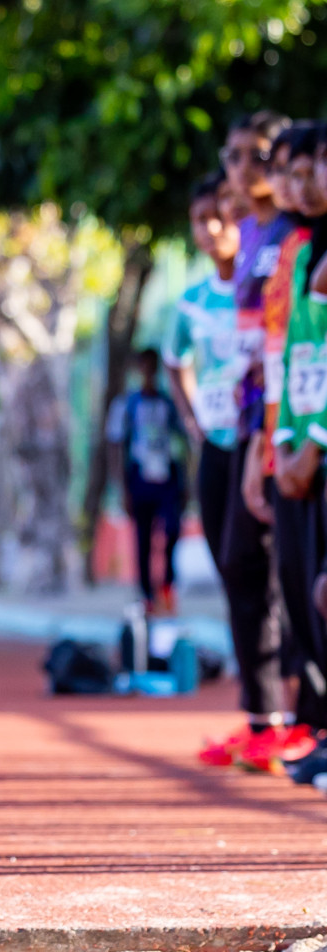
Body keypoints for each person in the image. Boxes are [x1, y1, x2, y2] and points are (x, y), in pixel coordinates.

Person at [166, 168, 288, 768]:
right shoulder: (189, 301)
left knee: (263, 567)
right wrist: (192, 418)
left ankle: (285, 711)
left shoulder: (266, 275)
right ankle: (261, 714)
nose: (215, 229)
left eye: (224, 216)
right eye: (203, 220)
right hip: (220, 441)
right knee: (232, 565)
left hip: (262, 435)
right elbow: (174, 363)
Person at [265, 123, 327, 780]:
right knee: (308, 588)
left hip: (319, 442)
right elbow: (294, 355)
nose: (305, 183)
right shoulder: (303, 249)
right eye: (299, 170)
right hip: (301, 441)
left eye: (313, 168)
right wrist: (287, 440)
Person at [106, 348, 186, 615]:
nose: (149, 372)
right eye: (144, 366)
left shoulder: (168, 403)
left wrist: (186, 483)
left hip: (166, 478)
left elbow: (183, 440)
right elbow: (116, 445)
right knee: (142, 537)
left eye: (153, 366)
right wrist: (122, 487)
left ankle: (167, 586)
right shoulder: (127, 405)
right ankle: (146, 595)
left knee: (172, 529)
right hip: (139, 478)